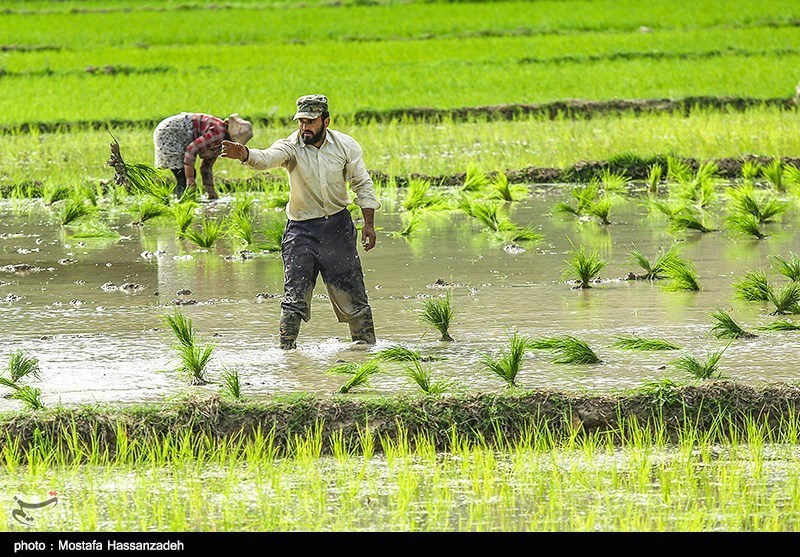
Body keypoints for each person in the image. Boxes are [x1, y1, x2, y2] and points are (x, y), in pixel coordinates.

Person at [220, 94, 380, 350]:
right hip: (302, 231)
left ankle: (367, 350)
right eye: (301, 121)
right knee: (295, 297)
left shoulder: (345, 146)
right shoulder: (290, 146)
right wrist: (245, 154)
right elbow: (267, 158)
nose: (304, 127)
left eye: (310, 122)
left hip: (337, 228)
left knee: (354, 296)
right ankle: (286, 354)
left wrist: (368, 224)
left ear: (325, 121)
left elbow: (362, 183)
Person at [153, 112, 253, 199]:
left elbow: (206, 166)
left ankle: (185, 201)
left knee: (186, 174)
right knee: (183, 175)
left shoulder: (221, 141)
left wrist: (211, 191)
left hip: (174, 132)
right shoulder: (218, 133)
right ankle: (182, 203)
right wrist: (190, 179)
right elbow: (191, 149)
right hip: (170, 132)